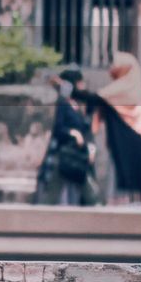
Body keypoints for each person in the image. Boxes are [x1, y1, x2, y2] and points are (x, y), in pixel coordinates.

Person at [72, 52, 141, 206]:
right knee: (123, 171)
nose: (112, 67)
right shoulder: (134, 88)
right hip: (130, 139)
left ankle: (126, 204)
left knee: (122, 171)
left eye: (116, 64)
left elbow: (95, 98)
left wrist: (69, 90)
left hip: (125, 138)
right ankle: (129, 203)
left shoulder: (123, 88)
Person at [36, 68, 100, 206]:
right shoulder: (63, 103)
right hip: (64, 154)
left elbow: (88, 125)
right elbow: (59, 129)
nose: (83, 85)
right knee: (53, 192)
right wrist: (73, 133)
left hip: (78, 155)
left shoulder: (80, 105)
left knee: (88, 192)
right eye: (80, 82)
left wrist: (90, 146)